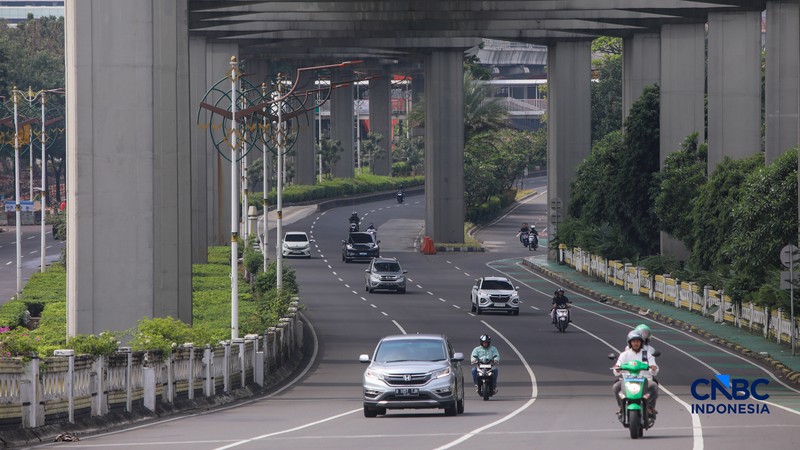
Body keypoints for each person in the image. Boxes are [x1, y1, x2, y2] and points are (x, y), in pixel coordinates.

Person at [613, 331, 659, 415]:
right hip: (627, 381)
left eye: (638, 341)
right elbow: (617, 369)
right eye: (633, 341)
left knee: (654, 386)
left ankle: (650, 407)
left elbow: (654, 370)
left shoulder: (647, 354)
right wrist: (617, 368)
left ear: (641, 343)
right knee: (616, 387)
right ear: (630, 343)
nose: (636, 343)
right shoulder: (624, 355)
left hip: (644, 380)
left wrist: (653, 368)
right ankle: (621, 407)